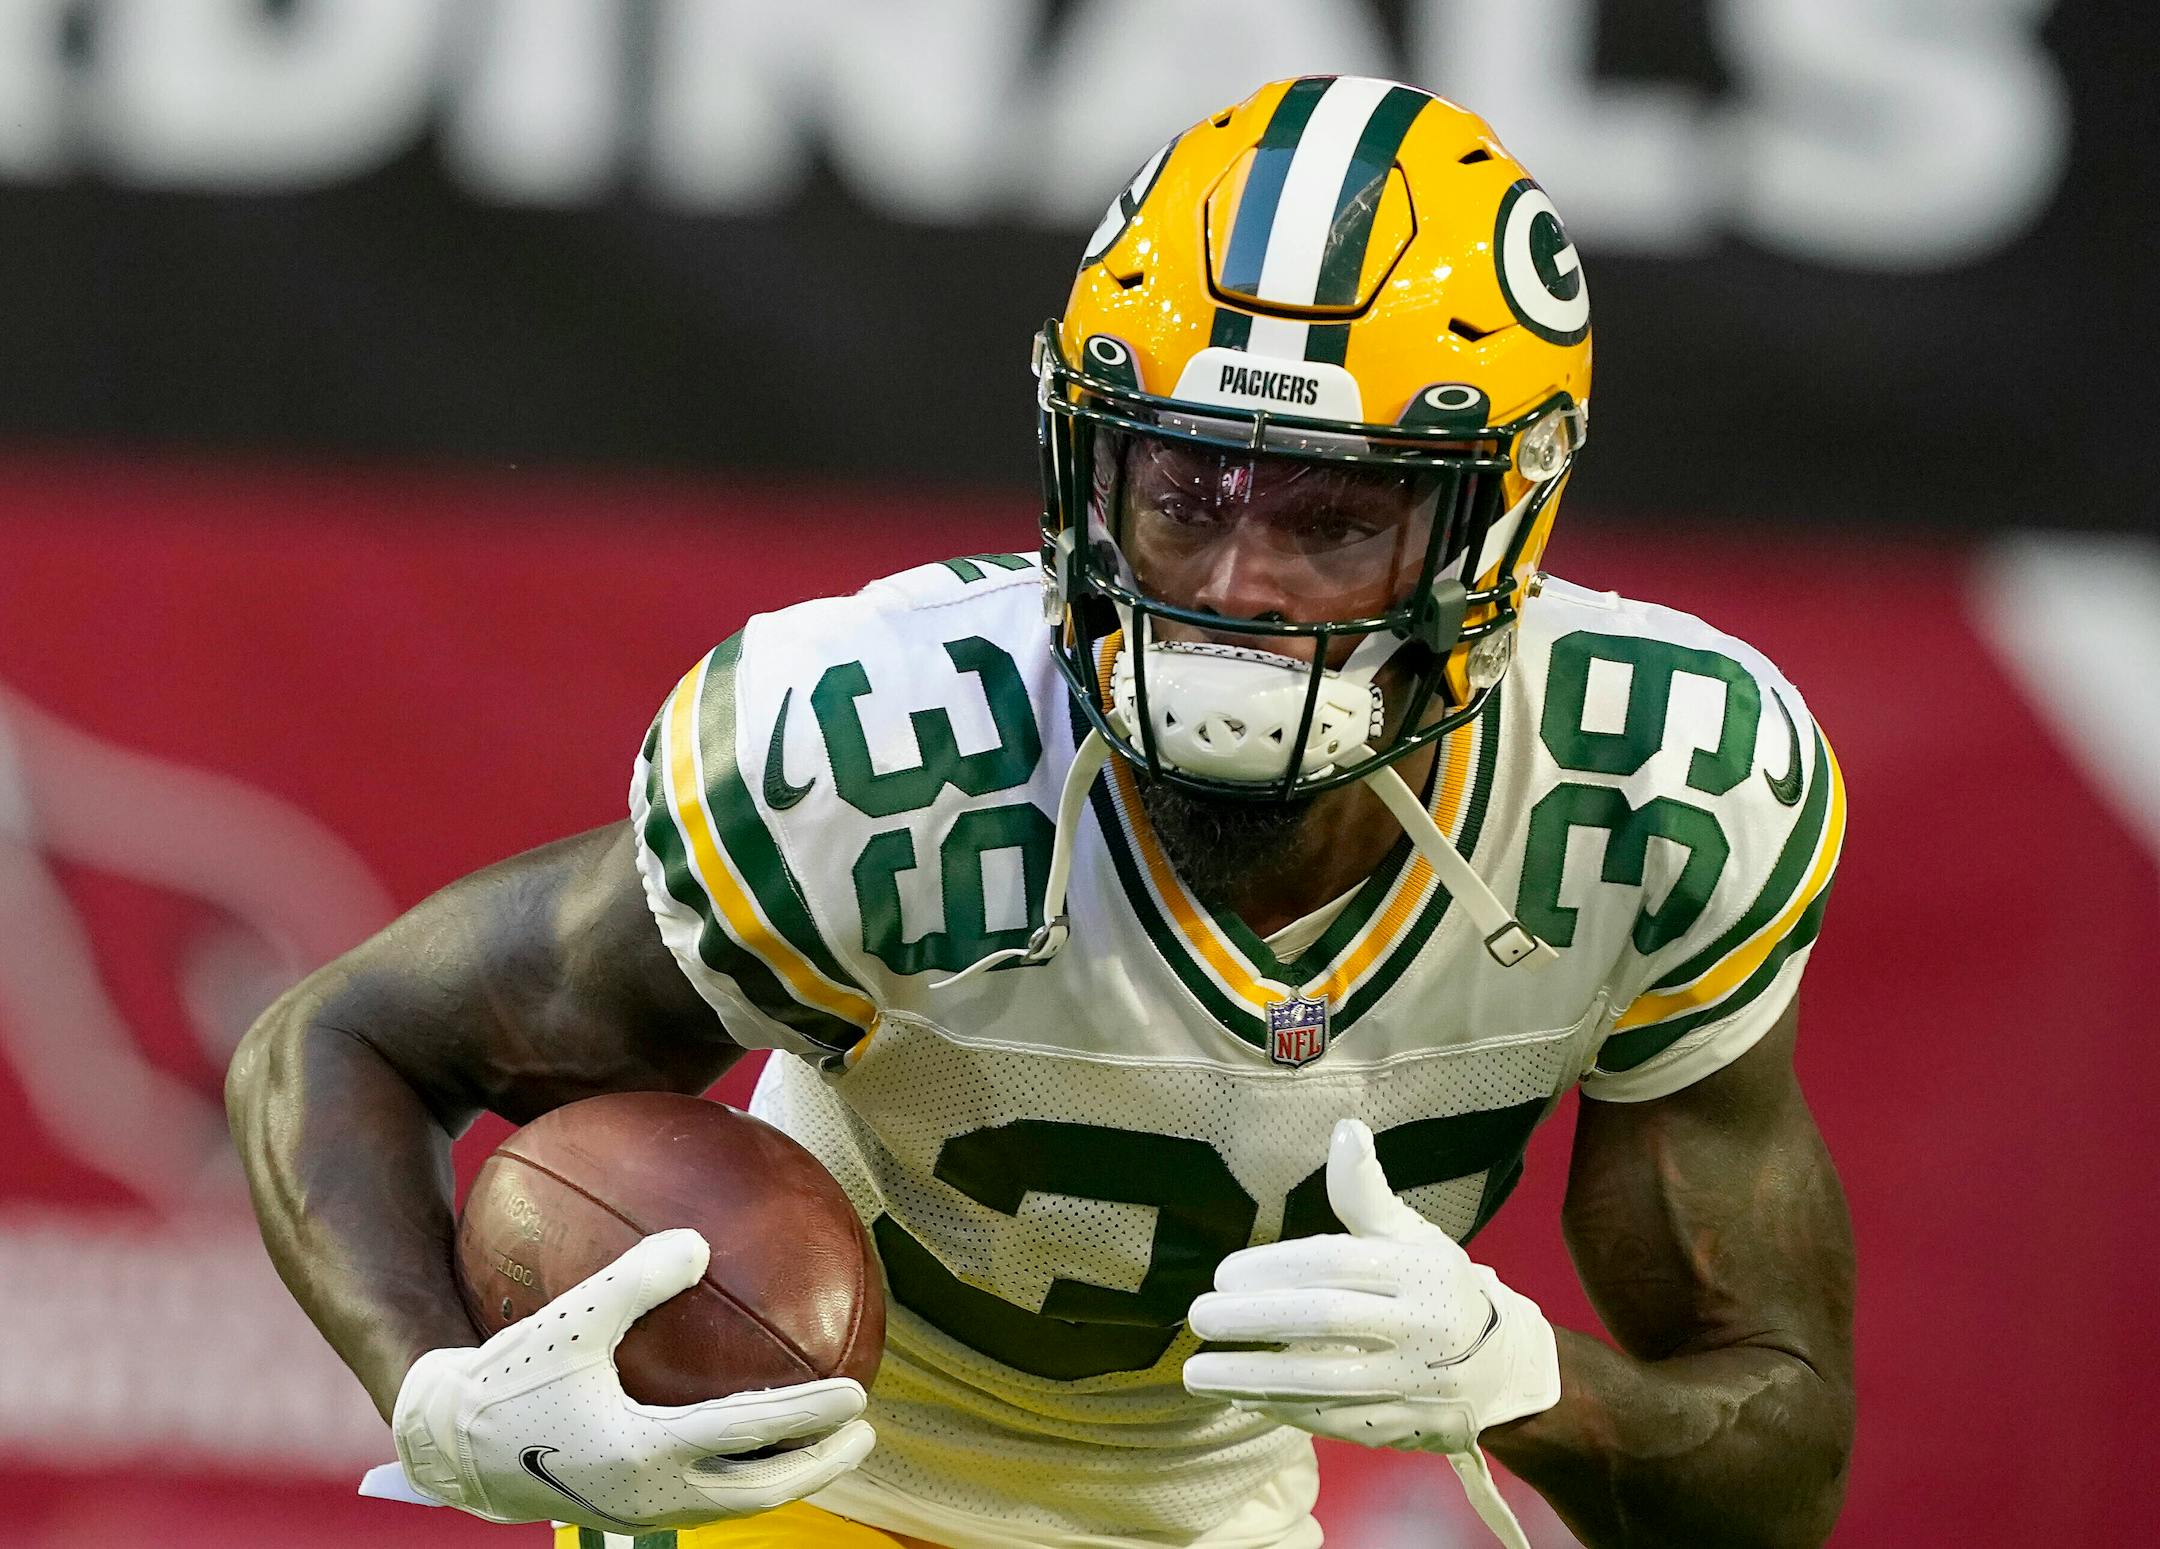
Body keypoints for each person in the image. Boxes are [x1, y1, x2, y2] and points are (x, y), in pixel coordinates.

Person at [230, 76, 1855, 1549]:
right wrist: (443, 1397)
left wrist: (1517, 1375)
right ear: (1090, 470)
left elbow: (1777, 1473)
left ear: (1496, 531)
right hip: (803, 1482)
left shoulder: (1654, 784)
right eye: (1184, 489)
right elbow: (341, 1041)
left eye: (1334, 516)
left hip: (1207, 1521)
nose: (1235, 589)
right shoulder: (893, 752)